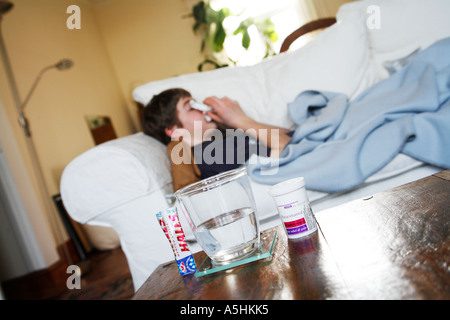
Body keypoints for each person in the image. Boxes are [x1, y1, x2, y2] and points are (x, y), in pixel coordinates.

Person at [142, 88, 291, 191]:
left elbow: (291, 135)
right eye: (191, 107)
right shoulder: (210, 155)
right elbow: (288, 148)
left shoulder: (222, 142)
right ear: (174, 130)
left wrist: (240, 122)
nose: (202, 108)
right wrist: (241, 120)